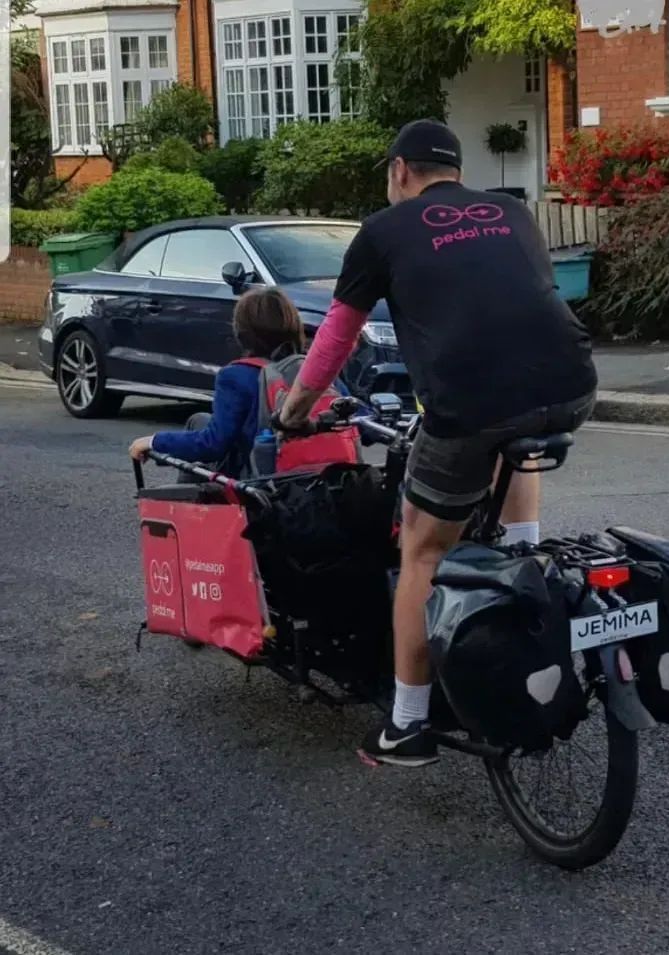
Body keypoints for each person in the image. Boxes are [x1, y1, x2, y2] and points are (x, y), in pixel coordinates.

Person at [277, 119, 598, 767]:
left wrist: (293, 411)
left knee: (420, 551)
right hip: (571, 381)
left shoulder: (381, 231)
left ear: (400, 171)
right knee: (519, 435)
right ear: (455, 170)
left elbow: (336, 340)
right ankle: (523, 558)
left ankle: (407, 725)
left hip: (468, 403)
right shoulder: (510, 211)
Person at [128, 287, 306, 470]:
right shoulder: (311, 371)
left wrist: (154, 442)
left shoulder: (237, 375)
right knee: (199, 420)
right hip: (312, 471)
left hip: (261, 474)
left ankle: (195, 496)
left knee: (198, 424)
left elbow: (213, 444)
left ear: (243, 332)